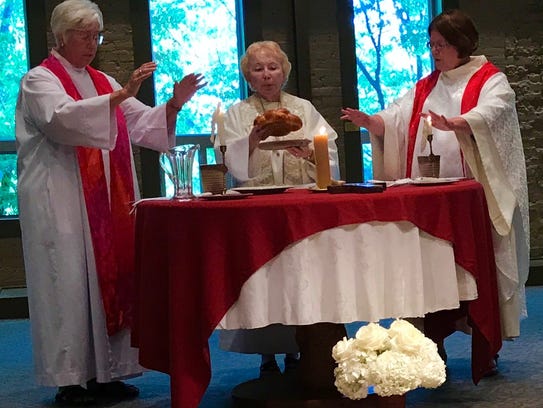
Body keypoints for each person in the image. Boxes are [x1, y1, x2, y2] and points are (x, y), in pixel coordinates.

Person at [15, 0, 205, 405]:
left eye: (95, 36)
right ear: (60, 36)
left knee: (113, 278)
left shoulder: (101, 80)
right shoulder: (39, 80)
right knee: (68, 283)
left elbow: (141, 124)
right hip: (62, 199)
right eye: (83, 35)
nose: (92, 44)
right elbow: (61, 120)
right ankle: (71, 379)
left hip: (107, 201)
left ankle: (109, 374)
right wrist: (120, 96)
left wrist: (173, 105)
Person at [341, 9, 529, 375]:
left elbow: (495, 111)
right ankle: (432, 344)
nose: (435, 52)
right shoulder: (427, 85)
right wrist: (374, 123)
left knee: (474, 268)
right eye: (431, 45)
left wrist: (460, 122)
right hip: (431, 201)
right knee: (431, 270)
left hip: (472, 198)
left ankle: (484, 342)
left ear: (461, 44)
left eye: (441, 45)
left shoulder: (490, 79)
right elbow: (397, 116)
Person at [217, 40, 340, 376]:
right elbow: (229, 160)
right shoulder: (238, 114)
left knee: (299, 277)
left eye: (273, 67)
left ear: (284, 71)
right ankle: (266, 355)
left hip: (299, 206)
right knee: (265, 277)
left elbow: (327, 148)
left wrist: (310, 153)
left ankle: (299, 348)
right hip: (259, 207)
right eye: (258, 69)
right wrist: (253, 139)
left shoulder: (303, 108)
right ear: (248, 76)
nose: (267, 75)